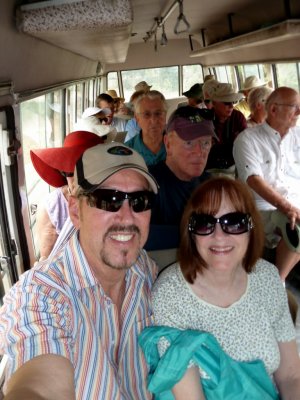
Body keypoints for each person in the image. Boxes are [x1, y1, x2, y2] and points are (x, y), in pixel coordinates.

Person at [0, 142, 159, 399]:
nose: (127, 218)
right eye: (109, 200)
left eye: (140, 201)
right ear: (75, 210)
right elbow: (38, 385)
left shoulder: (144, 270)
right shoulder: (41, 296)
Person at [143, 177, 300, 399]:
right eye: (204, 223)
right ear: (191, 232)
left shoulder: (267, 278)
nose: (219, 236)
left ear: (251, 227)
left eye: (234, 222)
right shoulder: (171, 294)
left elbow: (292, 376)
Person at [233, 86, 300, 280]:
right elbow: (254, 180)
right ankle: (278, 282)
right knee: (293, 226)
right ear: (273, 110)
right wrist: (288, 207)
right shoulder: (248, 139)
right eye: (295, 107)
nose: (299, 112)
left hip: (293, 202)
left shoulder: (297, 136)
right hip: (263, 207)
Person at [145, 106, 217, 250]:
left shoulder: (209, 184)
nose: (199, 152)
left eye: (205, 143)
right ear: (168, 144)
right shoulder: (148, 184)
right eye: (189, 143)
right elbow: (140, 235)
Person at [31, 130, 104, 260]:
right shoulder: (52, 207)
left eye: (84, 171)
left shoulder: (114, 196)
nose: (76, 179)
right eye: (69, 172)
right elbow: (47, 260)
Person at [206, 82, 246, 171]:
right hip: (210, 167)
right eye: (227, 103)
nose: (231, 106)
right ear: (214, 103)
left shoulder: (238, 117)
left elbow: (246, 143)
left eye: (233, 102)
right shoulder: (205, 120)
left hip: (235, 165)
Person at [125, 90, 167, 166]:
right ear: (137, 118)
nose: (153, 121)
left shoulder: (179, 146)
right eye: (146, 114)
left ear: (165, 115)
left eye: (158, 113)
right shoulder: (126, 152)